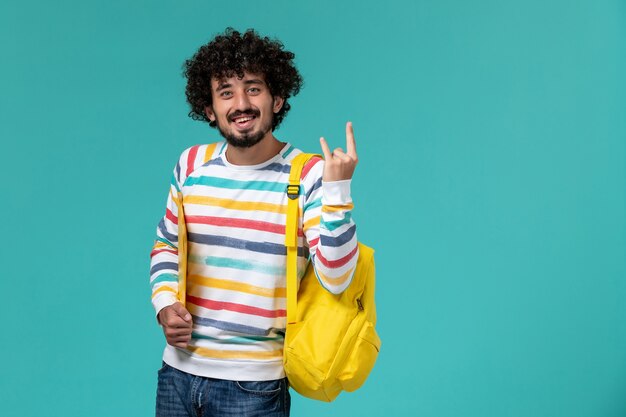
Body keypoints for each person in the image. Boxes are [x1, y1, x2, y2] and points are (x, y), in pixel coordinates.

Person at [149, 27, 359, 417]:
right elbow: (166, 244)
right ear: (209, 108)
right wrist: (164, 304)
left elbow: (337, 277)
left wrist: (338, 192)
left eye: (253, 88)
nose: (241, 103)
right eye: (226, 91)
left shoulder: (309, 174)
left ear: (277, 98)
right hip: (177, 374)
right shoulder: (191, 164)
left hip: (255, 386)